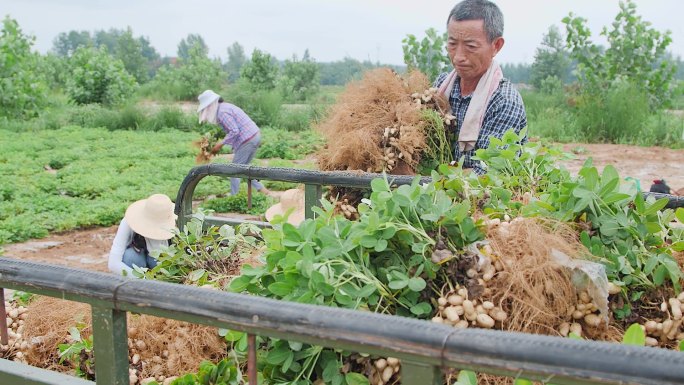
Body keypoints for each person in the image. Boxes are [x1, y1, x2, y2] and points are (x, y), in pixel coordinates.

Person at [435, 0, 527, 175]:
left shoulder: (504, 101)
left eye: (470, 46)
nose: (458, 57)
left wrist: (430, 178)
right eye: (452, 44)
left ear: (496, 46)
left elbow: (488, 172)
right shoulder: (440, 86)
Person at [197, 89, 270, 196]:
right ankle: (263, 191)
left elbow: (234, 131)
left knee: (234, 170)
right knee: (245, 168)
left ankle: (234, 196)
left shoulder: (222, 112)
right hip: (254, 136)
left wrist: (220, 144)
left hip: (248, 139)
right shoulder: (225, 107)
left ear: (210, 105)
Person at [108, 194, 177, 276]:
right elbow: (113, 263)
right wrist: (143, 280)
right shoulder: (129, 222)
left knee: (163, 261)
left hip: (159, 266)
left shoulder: (177, 224)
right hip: (137, 265)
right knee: (131, 256)